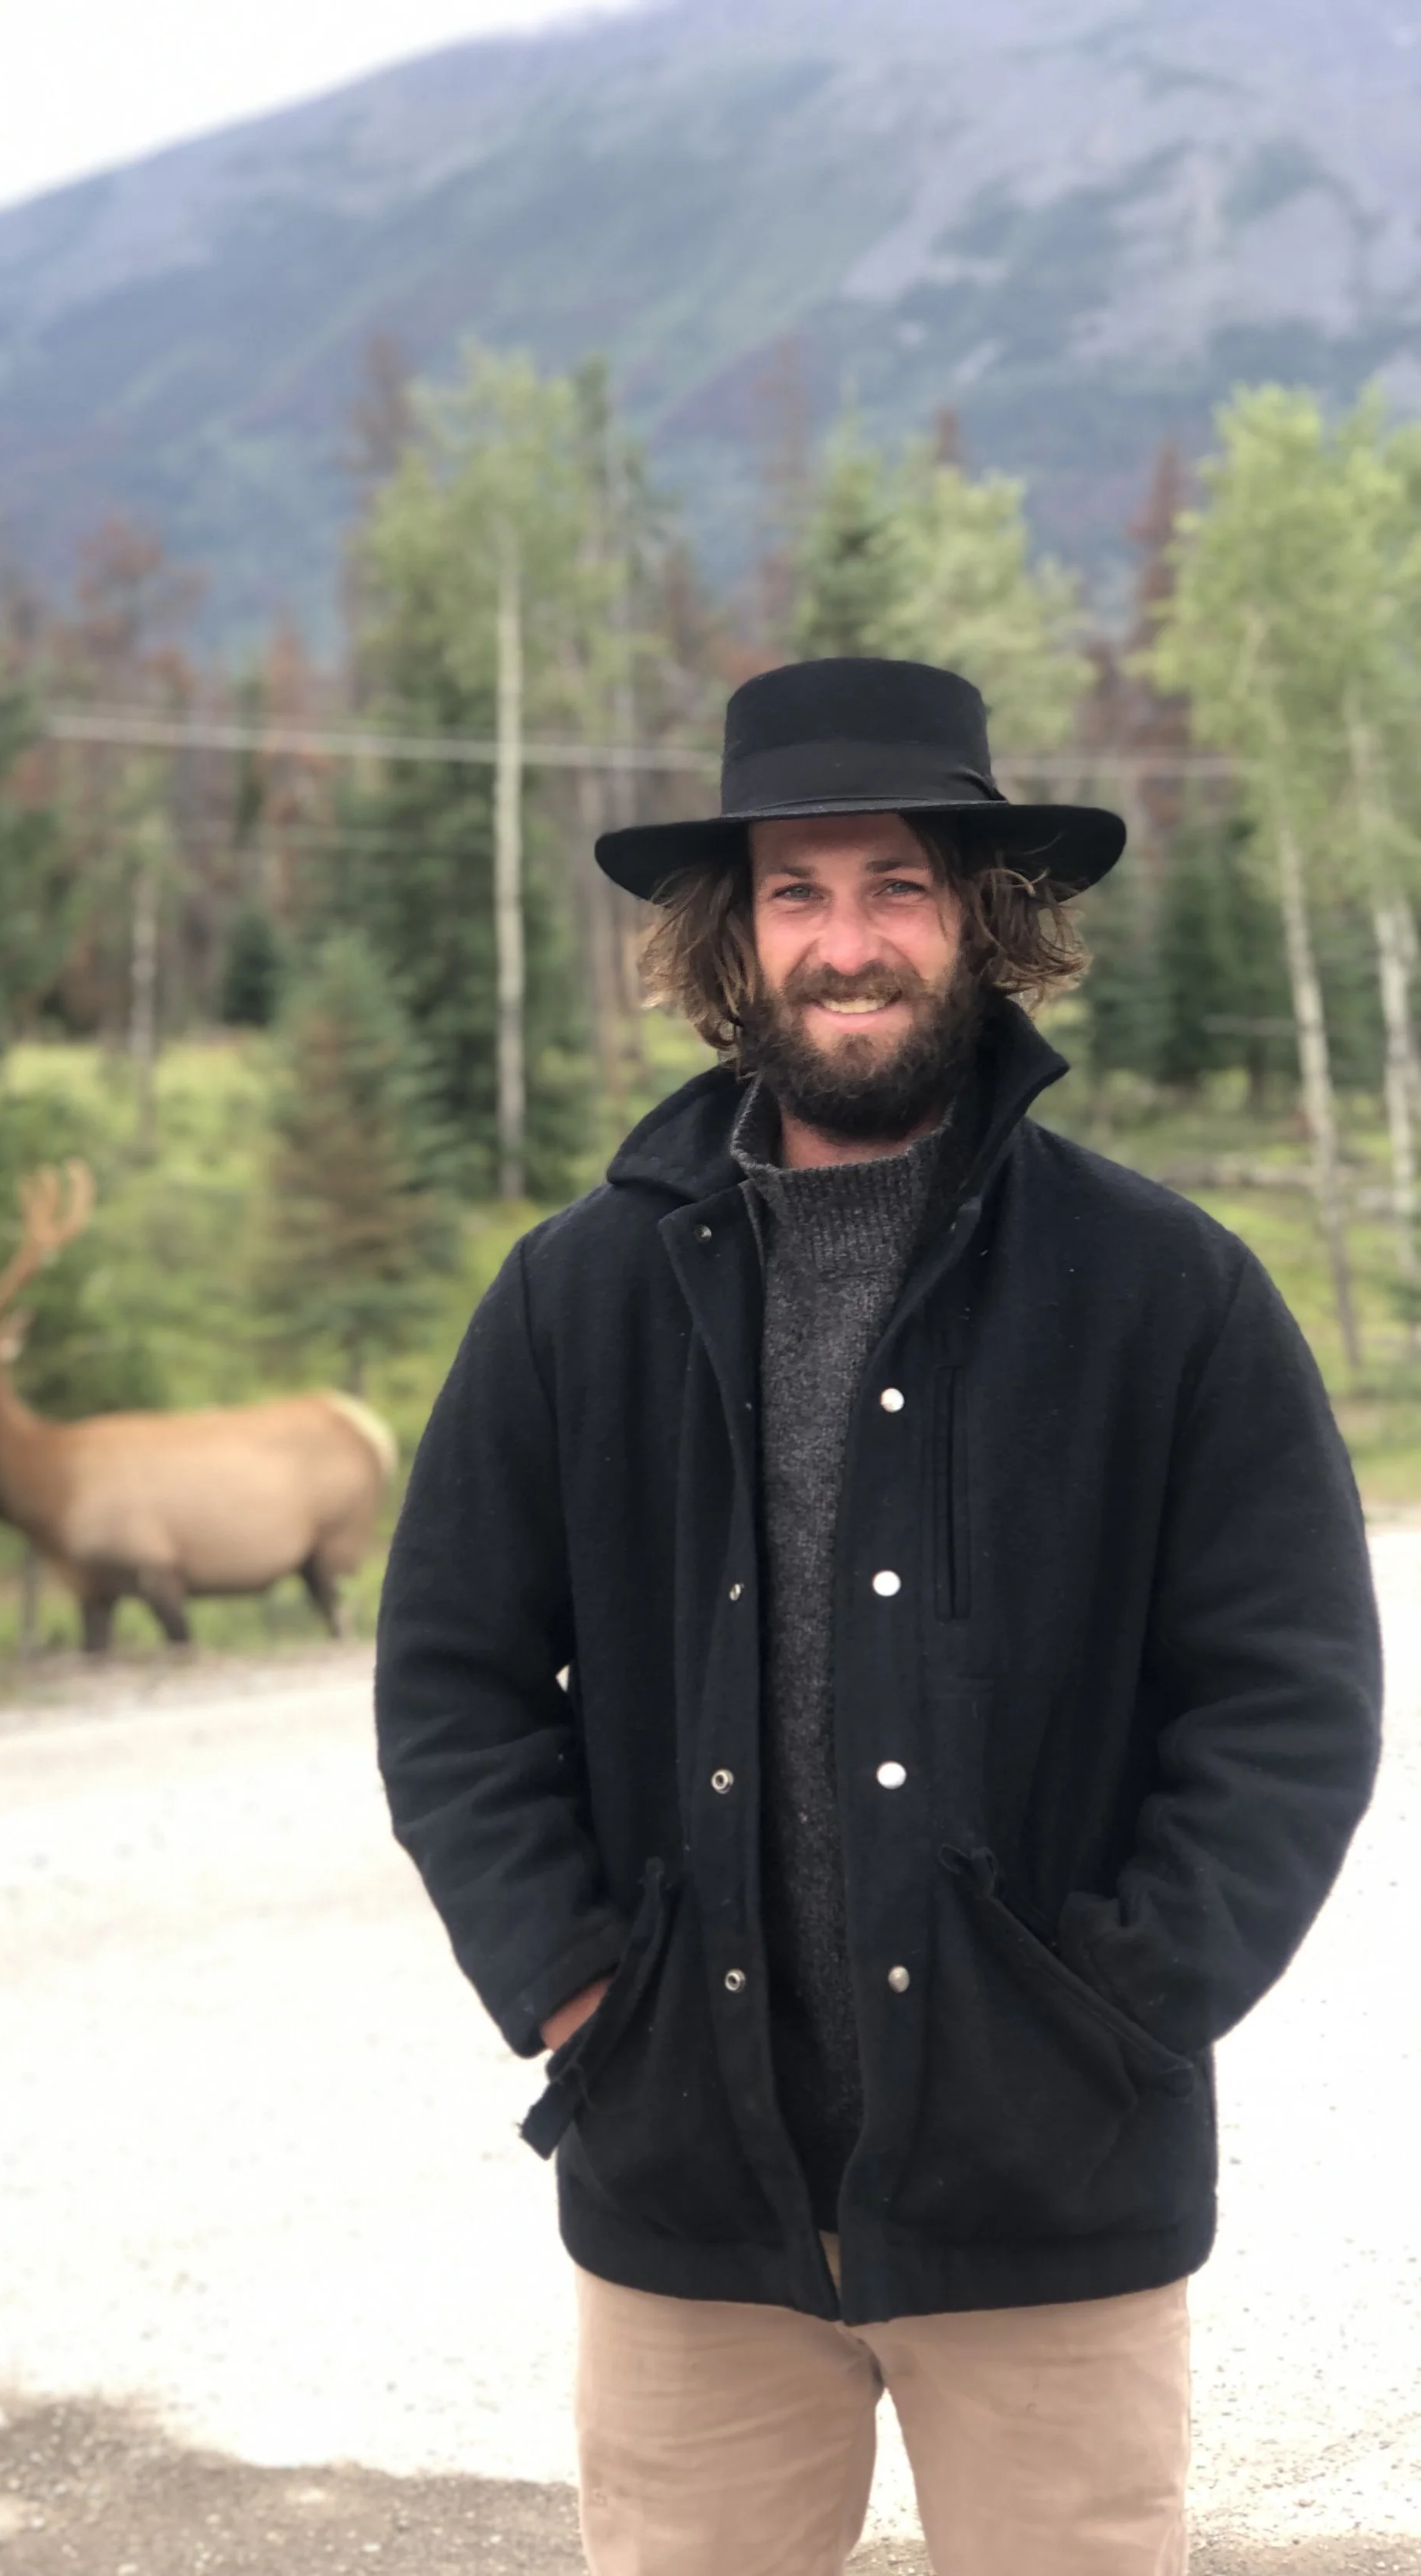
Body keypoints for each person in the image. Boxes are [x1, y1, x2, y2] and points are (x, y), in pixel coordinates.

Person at [373, 657, 1381, 2576]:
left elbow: (1287, 1699)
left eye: (896, 885)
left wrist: (1114, 2010)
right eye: (796, 892)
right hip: (688, 2202)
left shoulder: (1165, 1292)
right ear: (732, 935)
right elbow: (451, 1684)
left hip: (1052, 2195)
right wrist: (581, 1991)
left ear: (981, 919)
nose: (847, 942)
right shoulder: (573, 1298)